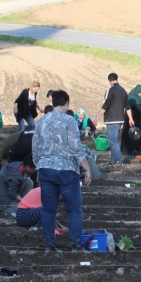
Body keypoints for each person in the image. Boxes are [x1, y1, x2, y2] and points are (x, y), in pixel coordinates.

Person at [33, 89, 93, 254]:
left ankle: (50, 246)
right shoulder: (69, 121)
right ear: (66, 103)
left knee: (48, 210)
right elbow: (75, 147)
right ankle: (76, 246)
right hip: (66, 170)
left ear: (52, 103)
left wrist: (39, 166)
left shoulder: (42, 121)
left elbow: (35, 147)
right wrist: (86, 168)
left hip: (46, 170)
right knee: (73, 210)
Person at [93, 73, 131, 165]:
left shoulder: (110, 89)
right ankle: (113, 159)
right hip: (120, 119)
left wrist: (97, 118)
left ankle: (119, 160)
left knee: (113, 141)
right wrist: (130, 118)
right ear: (117, 79)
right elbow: (127, 106)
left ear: (109, 81)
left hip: (111, 119)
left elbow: (105, 105)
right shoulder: (123, 90)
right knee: (113, 140)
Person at [123, 84, 141, 158]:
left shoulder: (134, 96)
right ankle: (136, 150)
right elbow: (139, 110)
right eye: (140, 92)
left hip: (133, 119)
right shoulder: (134, 99)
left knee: (133, 135)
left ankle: (132, 150)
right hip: (134, 120)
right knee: (134, 135)